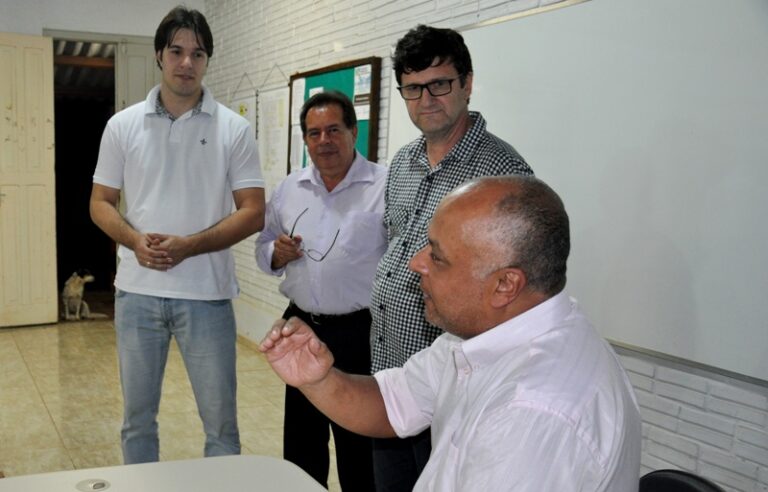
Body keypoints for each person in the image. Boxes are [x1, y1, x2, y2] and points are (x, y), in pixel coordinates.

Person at [260, 176, 642, 492]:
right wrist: (319, 379)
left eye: (437, 256)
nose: (415, 263)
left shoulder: (533, 413)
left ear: (505, 285)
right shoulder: (481, 334)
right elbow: (394, 404)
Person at [89, 6, 265, 464]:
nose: (187, 63)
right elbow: (100, 201)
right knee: (137, 421)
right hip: (137, 294)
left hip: (206, 295)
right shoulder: (122, 126)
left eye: (198, 53)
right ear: (159, 56)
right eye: (177, 51)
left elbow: (253, 212)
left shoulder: (234, 129)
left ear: (208, 61)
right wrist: (133, 241)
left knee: (221, 425)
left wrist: (190, 245)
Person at [369, 24, 534, 490]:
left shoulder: (502, 174)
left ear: (467, 83)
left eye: (439, 84)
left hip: (454, 390)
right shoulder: (402, 162)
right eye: (413, 88)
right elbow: (393, 244)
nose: (426, 99)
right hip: (392, 374)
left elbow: (515, 293)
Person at [254, 90, 385, 490]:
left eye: (333, 130)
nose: (324, 141)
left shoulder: (383, 185)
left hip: (359, 331)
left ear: (353, 131)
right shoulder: (289, 189)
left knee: (357, 442)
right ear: (305, 139)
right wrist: (275, 253)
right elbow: (262, 249)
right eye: (314, 133)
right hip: (302, 327)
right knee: (302, 441)